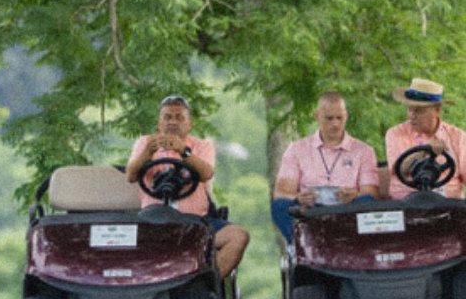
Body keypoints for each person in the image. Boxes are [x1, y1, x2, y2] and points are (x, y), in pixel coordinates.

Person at [124, 94, 249, 277]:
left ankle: (207, 283)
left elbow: (206, 174)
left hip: (195, 222)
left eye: (179, 117)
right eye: (167, 117)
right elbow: (131, 175)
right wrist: (148, 152)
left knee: (238, 236)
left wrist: (183, 151)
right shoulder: (145, 143)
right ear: (159, 123)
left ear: (189, 124)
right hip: (153, 221)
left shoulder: (202, 146)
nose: (172, 122)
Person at [271, 91, 380, 241]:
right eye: (329, 118)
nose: (335, 124)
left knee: (367, 202)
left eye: (339, 118)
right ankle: (302, 246)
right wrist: (298, 198)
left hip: (347, 210)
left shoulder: (364, 151)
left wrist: (354, 195)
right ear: (317, 116)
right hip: (309, 211)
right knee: (280, 206)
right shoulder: (297, 149)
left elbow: (371, 193)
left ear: (346, 116)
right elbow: (282, 192)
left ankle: (346, 243)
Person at [384, 78, 466, 199]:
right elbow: (400, 169)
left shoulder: (458, 136)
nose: (412, 115)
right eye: (409, 109)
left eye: (419, 111)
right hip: (406, 205)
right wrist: (425, 151)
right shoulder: (395, 133)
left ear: (437, 110)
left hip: (448, 207)